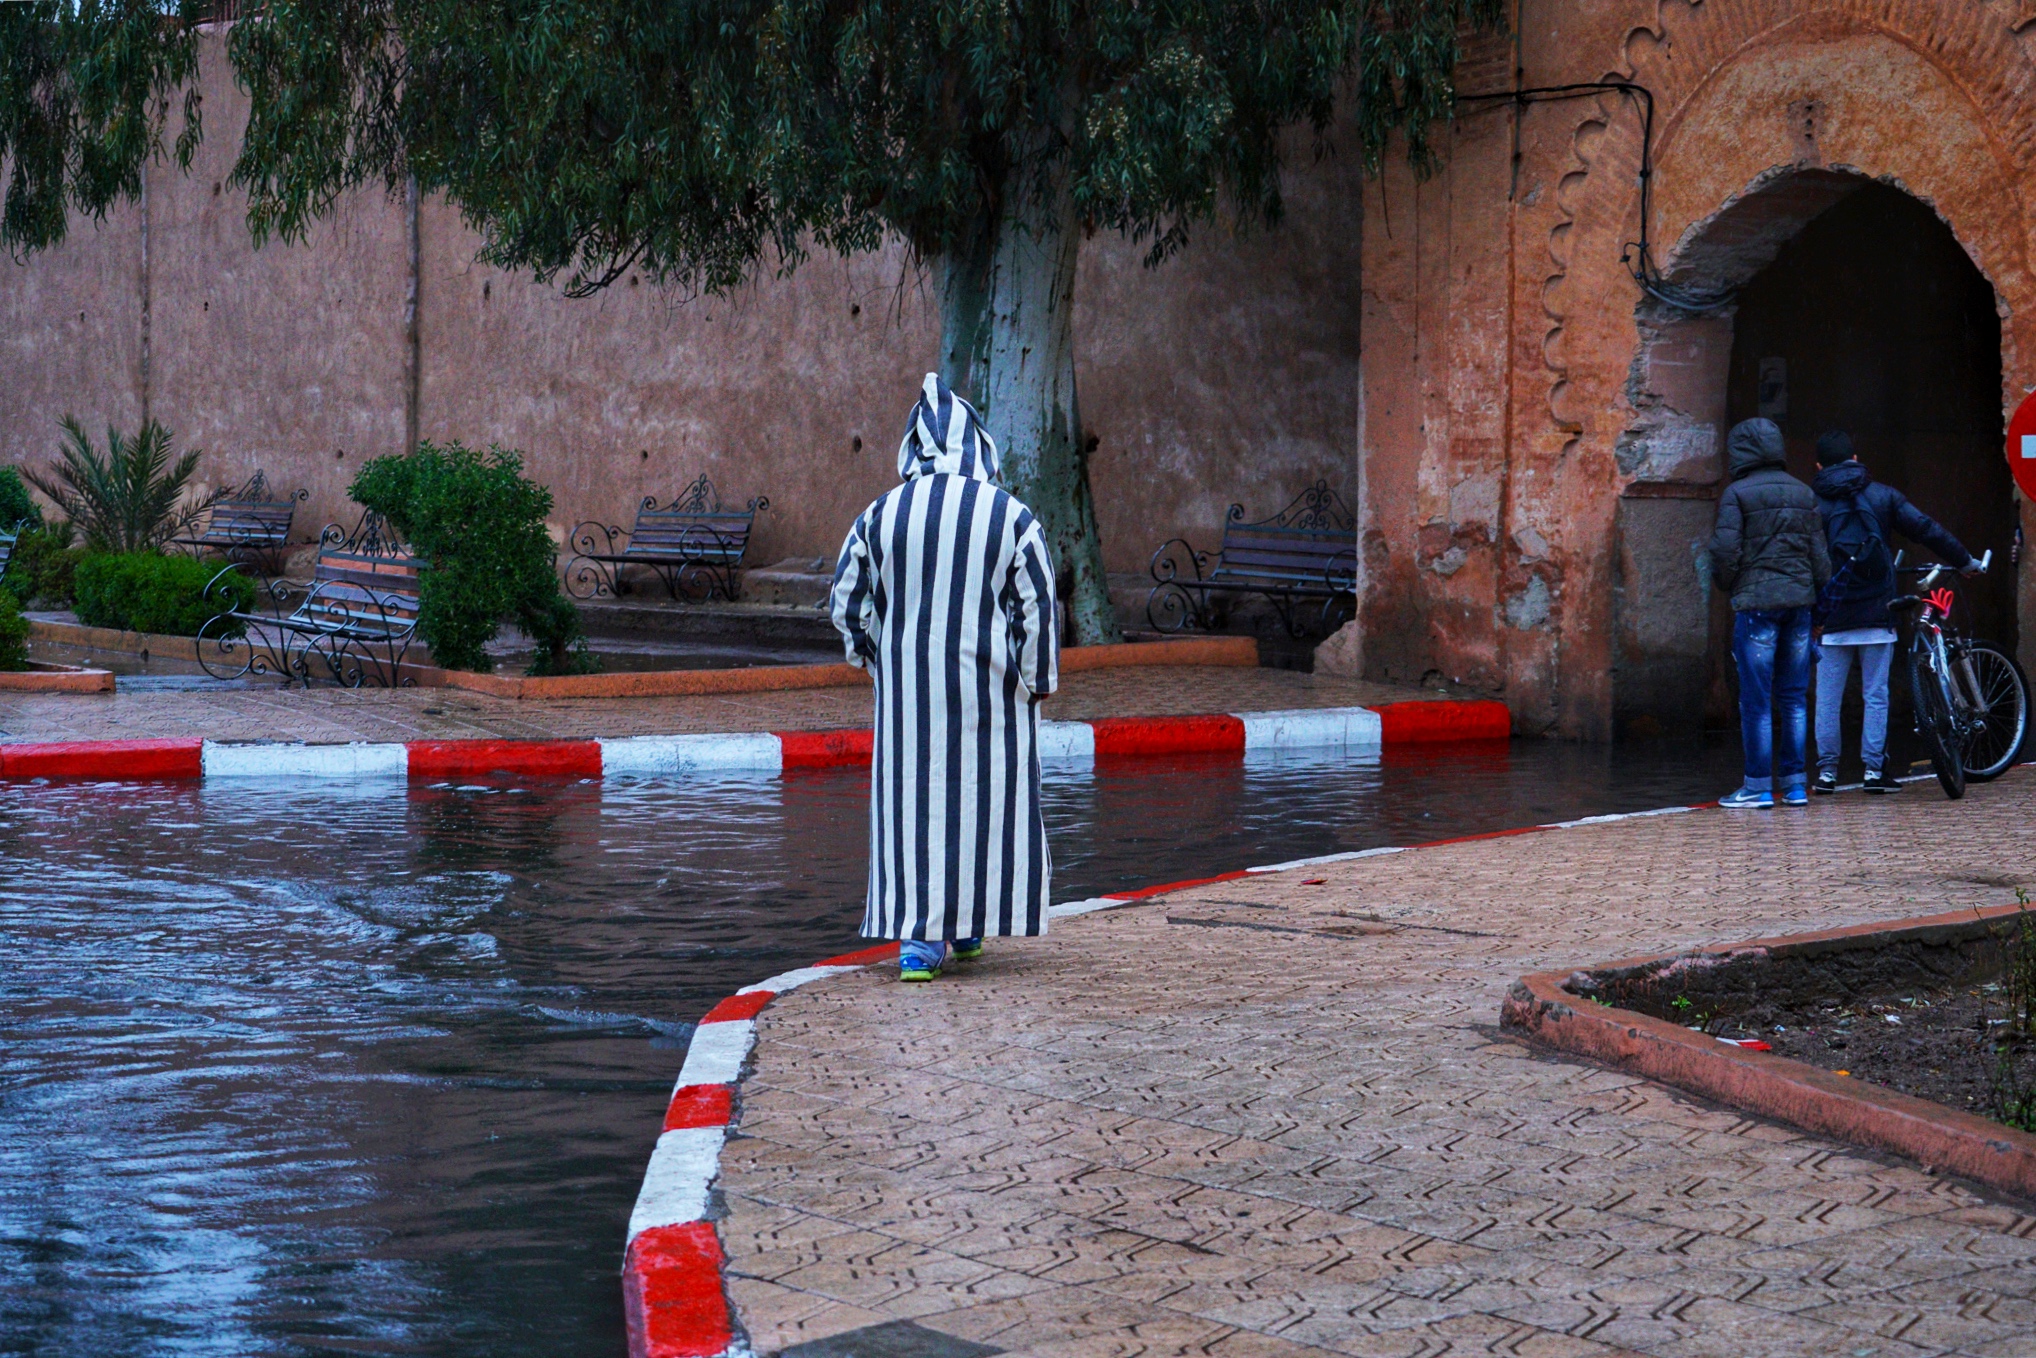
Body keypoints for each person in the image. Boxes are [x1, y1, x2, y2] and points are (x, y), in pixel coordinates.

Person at [830, 374, 1060, 981]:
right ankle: (966, 925)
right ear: (977, 442)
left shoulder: (876, 516)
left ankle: (918, 940)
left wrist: (876, 660)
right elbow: (1036, 606)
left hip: (909, 702)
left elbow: (847, 604)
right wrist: (1035, 681)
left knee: (915, 809)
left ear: (913, 446)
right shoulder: (1012, 517)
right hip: (990, 696)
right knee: (983, 804)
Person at [1809, 429, 1979, 794]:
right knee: (1876, 693)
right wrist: (1963, 560)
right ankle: (1874, 773)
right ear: (1855, 459)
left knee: (1828, 696)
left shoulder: (1812, 504)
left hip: (1833, 615)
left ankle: (1826, 774)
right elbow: (1926, 529)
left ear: (1819, 466)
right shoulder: (1882, 496)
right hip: (1877, 612)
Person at [1708, 417, 1831, 808]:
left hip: (1757, 606)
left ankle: (1758, 787)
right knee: (1794, 698)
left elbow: (1726, 552)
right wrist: (1810, 592)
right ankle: (1795, 786)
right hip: (1799, 607)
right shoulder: (1802, 493)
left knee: (1757, 701)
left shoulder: (1736, 494)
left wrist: (1730, 584)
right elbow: (1821, 562)